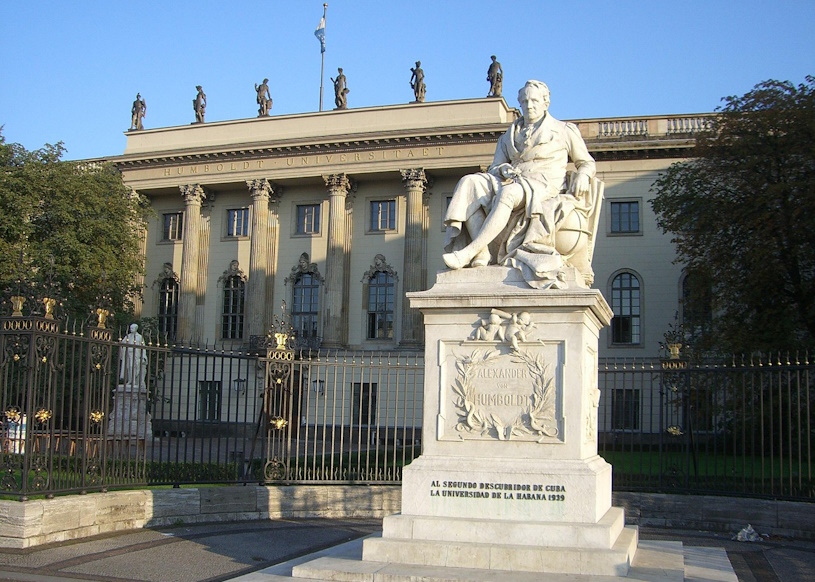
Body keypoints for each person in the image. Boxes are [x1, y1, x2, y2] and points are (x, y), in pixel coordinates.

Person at [442, 80, 596, 289]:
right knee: (470, 183)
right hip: (513, 178)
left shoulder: (564, 130)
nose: (529, 105)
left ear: (545, 102)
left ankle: (470, 250)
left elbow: (586, 162)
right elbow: (495, 167)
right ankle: (482, 251)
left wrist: (584, 176)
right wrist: (502, 169)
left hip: (543, 184)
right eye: (524, 101)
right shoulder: (508, 136)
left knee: (509, 194)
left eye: (534, 100)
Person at [119, 323, 148, 389]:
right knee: (129, 367)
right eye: (130, 328)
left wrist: (143, 356)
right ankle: (130, 380)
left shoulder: (139, 337)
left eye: (132, 328)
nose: (131, 329)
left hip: (136, 354)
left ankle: (134, 381)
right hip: (128, 354)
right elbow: (122, 343)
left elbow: (143, 347)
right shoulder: (128, 336)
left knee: (134, 367)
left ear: (136, 329)